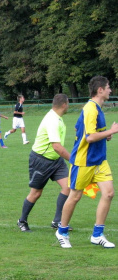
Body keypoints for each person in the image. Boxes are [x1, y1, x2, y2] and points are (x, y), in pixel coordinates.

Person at [56, 76, 118, 249]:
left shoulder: (96, 108)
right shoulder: (91, 109)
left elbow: (79, 128)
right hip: (84, 161)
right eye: (108, 87)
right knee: (74, 196)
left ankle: (97, 235)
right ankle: (62, 231)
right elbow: (89, 138)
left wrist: (106, 134)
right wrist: (110, 131)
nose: (110, 90)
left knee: (108, 193)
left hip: (99, 161)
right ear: (100, 90)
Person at [17, 94, 70, 232]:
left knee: (68, 187)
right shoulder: (52, 120)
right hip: (41, 160)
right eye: (68, 104)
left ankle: (57, 221)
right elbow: (56, 146)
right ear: (64, 104)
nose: (68, 106)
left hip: (55, 160)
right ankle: (22, 220)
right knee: (36, 193)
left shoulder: (57, 117)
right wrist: (74, 160)